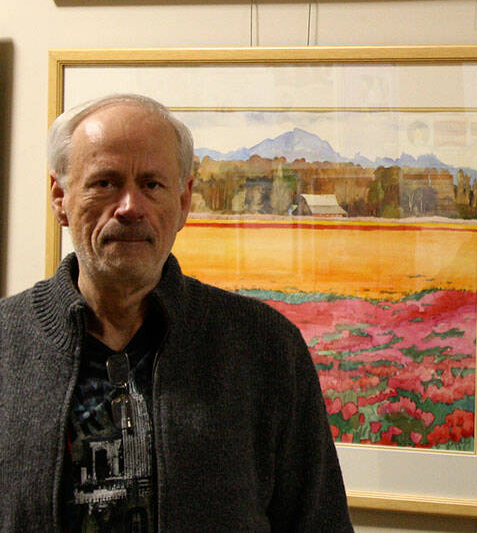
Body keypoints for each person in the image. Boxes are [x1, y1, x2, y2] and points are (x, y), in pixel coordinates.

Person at [0, 94, 353, 530]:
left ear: (184, 200)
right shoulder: (5, 342)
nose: (130, 207)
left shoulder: (265, 347)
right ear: (60, 197)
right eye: (105, 182)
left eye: (152, 184)